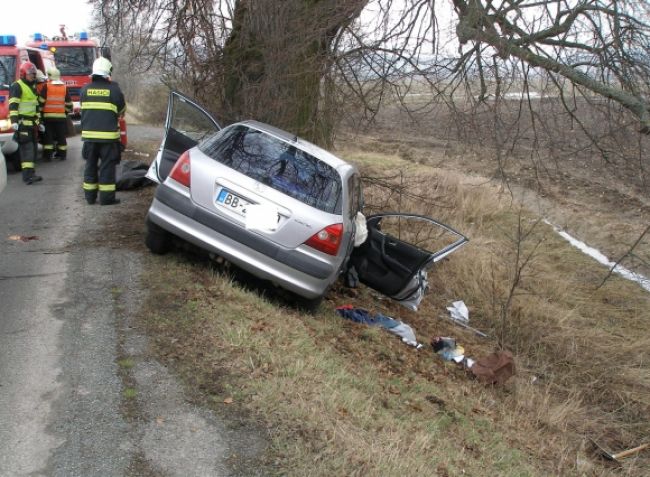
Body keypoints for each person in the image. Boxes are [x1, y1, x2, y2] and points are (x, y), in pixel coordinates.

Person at [80, 57, 126, 205]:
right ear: (108, 73)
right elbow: (122, 110)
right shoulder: (114, 89)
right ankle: (106, 199)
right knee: (107, 167)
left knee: (90, 166)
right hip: (108, 138)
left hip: (89, 138)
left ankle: (90, 197)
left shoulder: (85, 90)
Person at [8, 61, 43, 184]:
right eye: (30, 74)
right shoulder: (17, 86)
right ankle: (27, 177)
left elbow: (36, 108)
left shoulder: (32, 87)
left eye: (34, 74)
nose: (33, 76)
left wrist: (39, 123)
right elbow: (13, 105)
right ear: (23, 74)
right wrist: (14, 122)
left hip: (32, 125)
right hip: (22, 124)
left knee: (33, 150)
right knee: (27, 151)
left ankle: (31, 174)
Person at [40, 67, 73, 161]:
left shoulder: (46, 86)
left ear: (49, 76)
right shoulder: (64, 87)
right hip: (61, 117)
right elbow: (69, 104)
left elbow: (41, 101)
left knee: (48, 137)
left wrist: (40, 113)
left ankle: (48, 157)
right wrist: (64, 112)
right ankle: (62, 155)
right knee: (61, 137)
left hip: (48, 117)